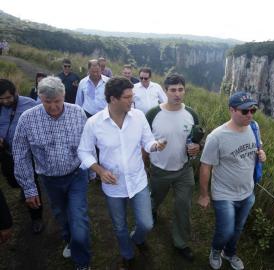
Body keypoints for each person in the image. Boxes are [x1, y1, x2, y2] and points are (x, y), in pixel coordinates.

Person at [78, 76, 166, 270]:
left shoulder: (139, 117)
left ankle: (137, 237)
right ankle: (127, 254)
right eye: (127, 97)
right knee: (119, 227)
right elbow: (83, 151)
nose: (132, 100)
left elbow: (147, 142)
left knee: (147, 224)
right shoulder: (94, 123)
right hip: (113, 186)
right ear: (112, 99)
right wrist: (99, 170)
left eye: (132, 96)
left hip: (138, 180)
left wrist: (156, 146)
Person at [13, 76, 91, 270]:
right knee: (62, 217)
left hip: (76, 176)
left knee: (79, 221)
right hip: (49, 180)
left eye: (57, 101)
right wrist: (30, 189)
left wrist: (92, 170)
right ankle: (69, 240)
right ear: (39, 97)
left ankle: (82, 263)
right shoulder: (27, 119)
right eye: (47, 102)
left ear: (64, 96)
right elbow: (20, 154)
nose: (54, 107)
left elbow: (88, 144)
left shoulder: (78, 113)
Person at [198, 92, 267, 270]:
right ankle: (215, 250)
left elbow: (258, 147)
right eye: (245, 111)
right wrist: (204, 195)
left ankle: (229, 253)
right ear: (231, 110)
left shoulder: (254, 127)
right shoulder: (217, 137)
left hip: (247, 192)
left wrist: (262, 154)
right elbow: (205, 166)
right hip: (224, 194)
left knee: (238, 228)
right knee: (226, 230)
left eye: (253, 110)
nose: (250, 115)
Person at [145, 74, 201, 261]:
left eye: (180, 89)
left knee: (183, 206)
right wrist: (145, 166)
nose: (177, 94)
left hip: (184, 170)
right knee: (155, 198)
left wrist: (196, 147)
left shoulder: (192, 114)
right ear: (165, 91)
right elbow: (144, 142)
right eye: (173, 90)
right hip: (159, 170)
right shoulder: (153, 114)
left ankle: (181, 243)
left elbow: (194, 140)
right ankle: (151, 210)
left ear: (184, 90)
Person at [0, 79, 44, 234]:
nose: (5, 101)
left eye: (8, 97)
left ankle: (36, 217)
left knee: (30, 183)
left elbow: (43, 120)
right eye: (1, 99)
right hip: (6, 153)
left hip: (26, 154)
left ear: (15, 93)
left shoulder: (30, 104)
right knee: (11, 180)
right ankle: (22, 185)